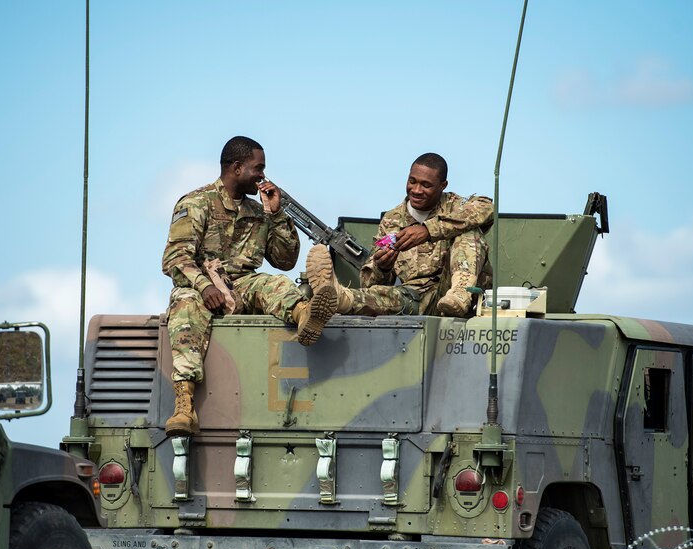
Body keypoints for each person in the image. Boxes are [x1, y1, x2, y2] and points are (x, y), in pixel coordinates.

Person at [161, 136, 337, 436]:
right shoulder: (196, 203)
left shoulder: (257, 212)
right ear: (237, 167)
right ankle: (184, 407)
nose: (262, 176)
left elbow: (284, 260)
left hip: (242, 283)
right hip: (202, 286)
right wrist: (205, 287)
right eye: (258, 168)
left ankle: (306, 317)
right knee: (185, 305)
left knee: (275, 284)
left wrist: (277, 214)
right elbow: (175, 258)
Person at [307, 152, 492, 317]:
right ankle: (339, 298)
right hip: (418, 297)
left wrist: (429, 230)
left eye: (426, 185)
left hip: (464, 297)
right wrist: (382, 267)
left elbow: (487, 207)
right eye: (413, 181)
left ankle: (461, 292)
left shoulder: (456, 206)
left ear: (442, 185)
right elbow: (370, 283)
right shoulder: (391, 221)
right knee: (387, 297)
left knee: (468, 230)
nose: (417, 190)